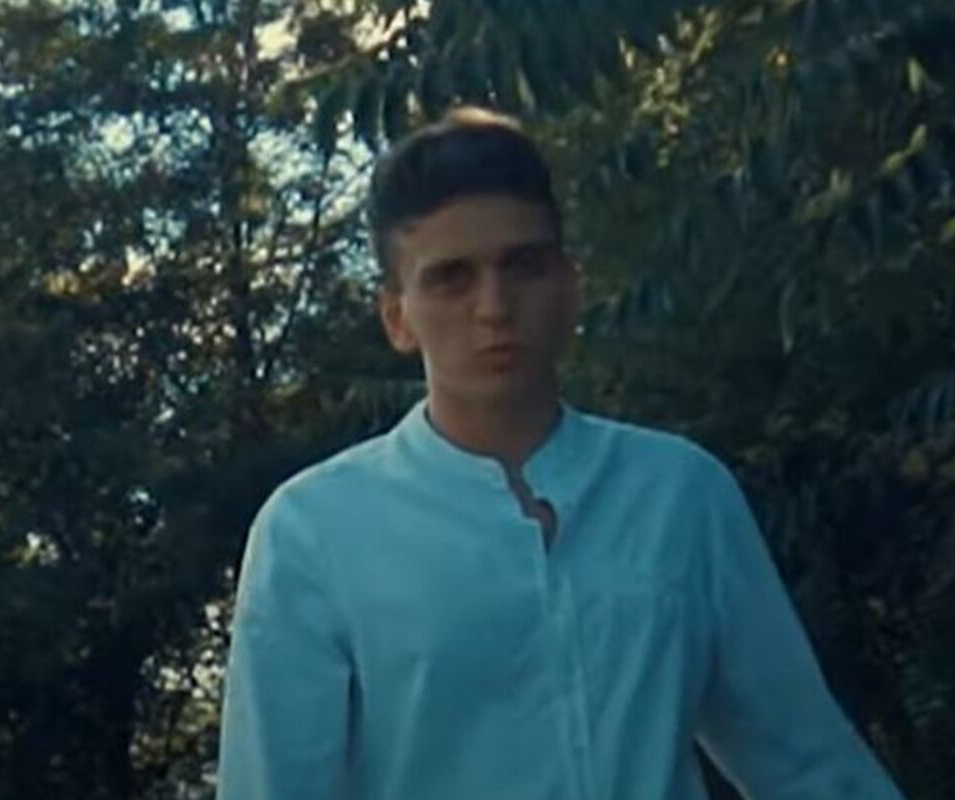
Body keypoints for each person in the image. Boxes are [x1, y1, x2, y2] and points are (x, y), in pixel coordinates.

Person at [216, 107, 906, 800]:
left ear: (570, 287)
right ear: (398, 317)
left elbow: (808, 762)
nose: (494, 307)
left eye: (522, 266)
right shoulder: (315, 531)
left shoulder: (679, 495)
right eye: (452, 278)